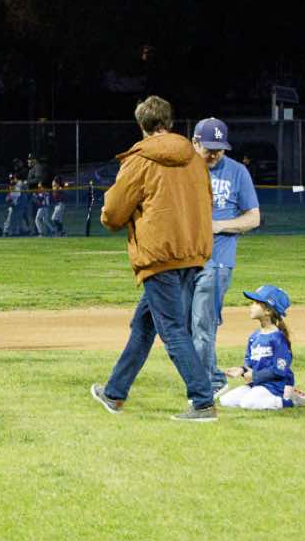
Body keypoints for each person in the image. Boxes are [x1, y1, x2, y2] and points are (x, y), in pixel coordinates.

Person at [89, 96, 217, 420]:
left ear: (141, 125)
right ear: (169, 122)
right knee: (144, 324)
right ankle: (114, 393)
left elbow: (113, 213)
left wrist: (110, 218)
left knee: (172, 329)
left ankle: (203, 401)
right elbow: (208, 202)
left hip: (159, 256)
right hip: (191, 253)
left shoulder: (140, 159)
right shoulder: (194, 158)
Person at [190, 118, 262, 401]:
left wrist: (219, 226)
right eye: (209, 148)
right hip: (185, 260)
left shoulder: (237, 172)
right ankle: (210, 377)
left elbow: (253, 218)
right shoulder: (183, 170)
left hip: (217, 261)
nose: (214, 154)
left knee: (202, 325)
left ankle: (208, 382)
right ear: (195, 143)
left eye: (219, 149)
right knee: (188, 325)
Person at [216, 284, 305, 409]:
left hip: (275, 386)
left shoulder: (278, 339)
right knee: (226, 400)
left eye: (256, 303)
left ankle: (290, 400)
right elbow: (250, 364)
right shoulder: (254, 337)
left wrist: (255, 376)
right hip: (257, 384)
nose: (251, 306)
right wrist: (241, 370)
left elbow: (279, 370)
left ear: (268, 311)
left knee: (247, 403)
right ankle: (260, 397)